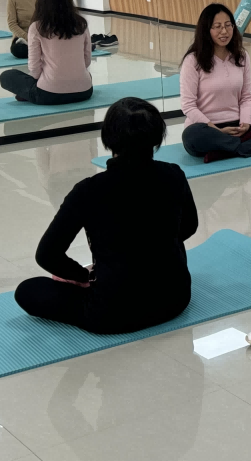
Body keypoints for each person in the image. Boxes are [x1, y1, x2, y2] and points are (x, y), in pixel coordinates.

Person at [14, 97, 198, 334]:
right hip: (174, 300)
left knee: (28, 290)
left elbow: (47, 255)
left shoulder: (89, 190)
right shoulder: (173, 174)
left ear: (109, 138)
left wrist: (84, 276)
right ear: (156, 137)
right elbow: (189, 227)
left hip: (112, 313)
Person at [179, 2, 251, 163]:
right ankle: (241, 146)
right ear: (206, 30)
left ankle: (226, 150)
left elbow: (247, 96)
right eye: (217, 27)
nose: (224, 31)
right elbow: (188, 106)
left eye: (228, 25)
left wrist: (245, 122)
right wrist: (216, 130)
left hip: (237, 127)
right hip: (207, 128)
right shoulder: (193, 60)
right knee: (192, 136)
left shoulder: (242, 56)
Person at [0, 0, 92, 105]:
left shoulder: (37, 27)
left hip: (50, 94)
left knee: (7, 76)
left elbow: (34, 67)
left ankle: (29, 94)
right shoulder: (81, 23)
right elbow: (87, 59)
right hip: (84, 91)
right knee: (84, 75)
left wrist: (37, 82)